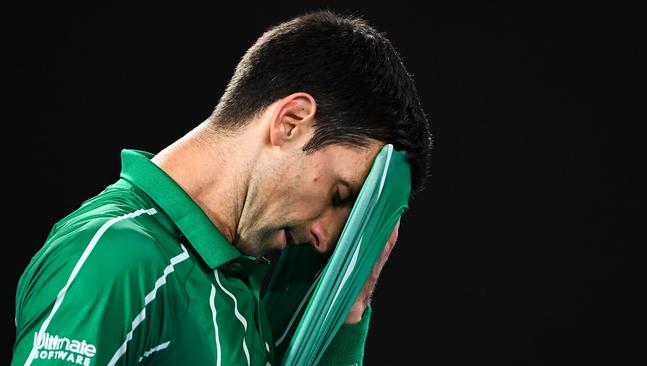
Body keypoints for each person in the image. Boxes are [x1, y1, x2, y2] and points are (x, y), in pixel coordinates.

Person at [11, 10, 432, 366]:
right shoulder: (117, 257)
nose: (326, 240)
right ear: (291, 122)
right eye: (339, 195)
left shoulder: (235, 290)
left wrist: (349, 305)